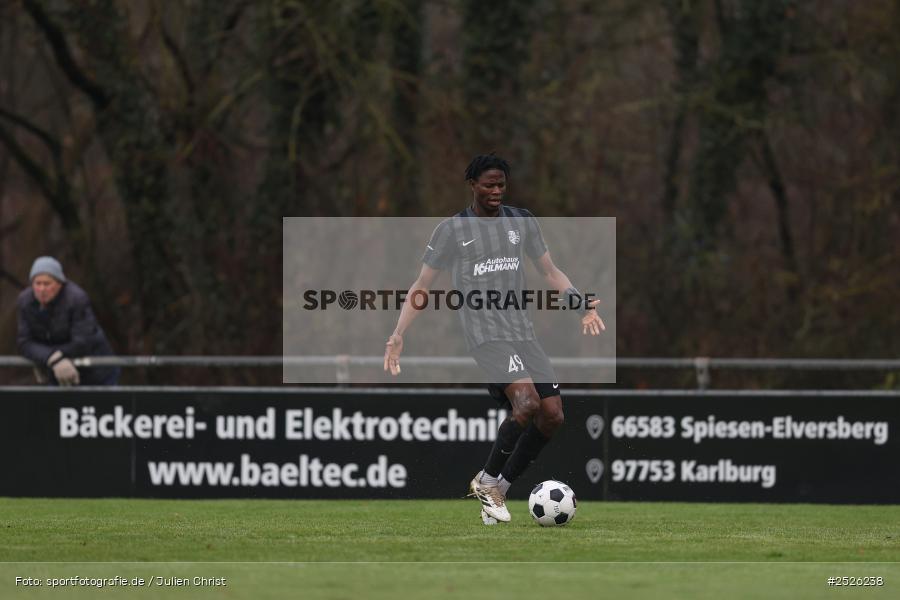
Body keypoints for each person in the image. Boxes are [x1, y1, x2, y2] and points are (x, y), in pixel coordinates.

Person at [383, 154, 604, 523]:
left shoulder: (522, 221)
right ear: (473, 185)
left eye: (501, 184)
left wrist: (580, 304)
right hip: (486, 334)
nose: (497, 191)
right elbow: (422, 286)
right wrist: (398, 332)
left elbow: (550, 272)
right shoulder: (452, 231)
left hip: (523, 332)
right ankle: (486, 482)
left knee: (552, 415)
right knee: (527, 403)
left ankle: (500, 488)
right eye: (489, 185)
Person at [17, 256, 120, 386]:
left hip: (97, 372)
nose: (42, 289)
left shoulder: (77, 299)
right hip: (56, 372)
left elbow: (82, 342)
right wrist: (49, 358)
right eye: (38, 283)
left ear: (59, 283)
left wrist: (54, 357)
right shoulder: (25, 301)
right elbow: (25, 343)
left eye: (47, 284)